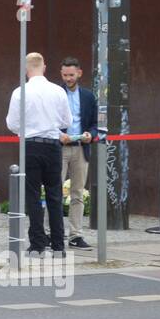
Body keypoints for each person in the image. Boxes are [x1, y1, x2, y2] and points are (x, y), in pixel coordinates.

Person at [5, 52, 72, 255]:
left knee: (32, 196)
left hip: (30, 146)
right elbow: (66, 122)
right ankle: (59, 246)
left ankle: (37, 245)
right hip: (52, 146)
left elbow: (12, 123)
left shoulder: (20, 92)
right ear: (44, 67)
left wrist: (25, 129)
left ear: (26, 70)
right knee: (54, 195)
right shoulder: (58, 91)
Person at [59, 56, 99, 249]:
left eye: (71, 75)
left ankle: (76, 235)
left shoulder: (88, 96)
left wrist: (89, 134)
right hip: (60, 148)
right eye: (65, 75)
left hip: (81, 148)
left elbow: (94, 125)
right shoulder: (56, 94)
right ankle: (53, 233)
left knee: (77, 193)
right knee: (54, 191)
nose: (68, 78)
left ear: (79, 73)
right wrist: (59, 135)